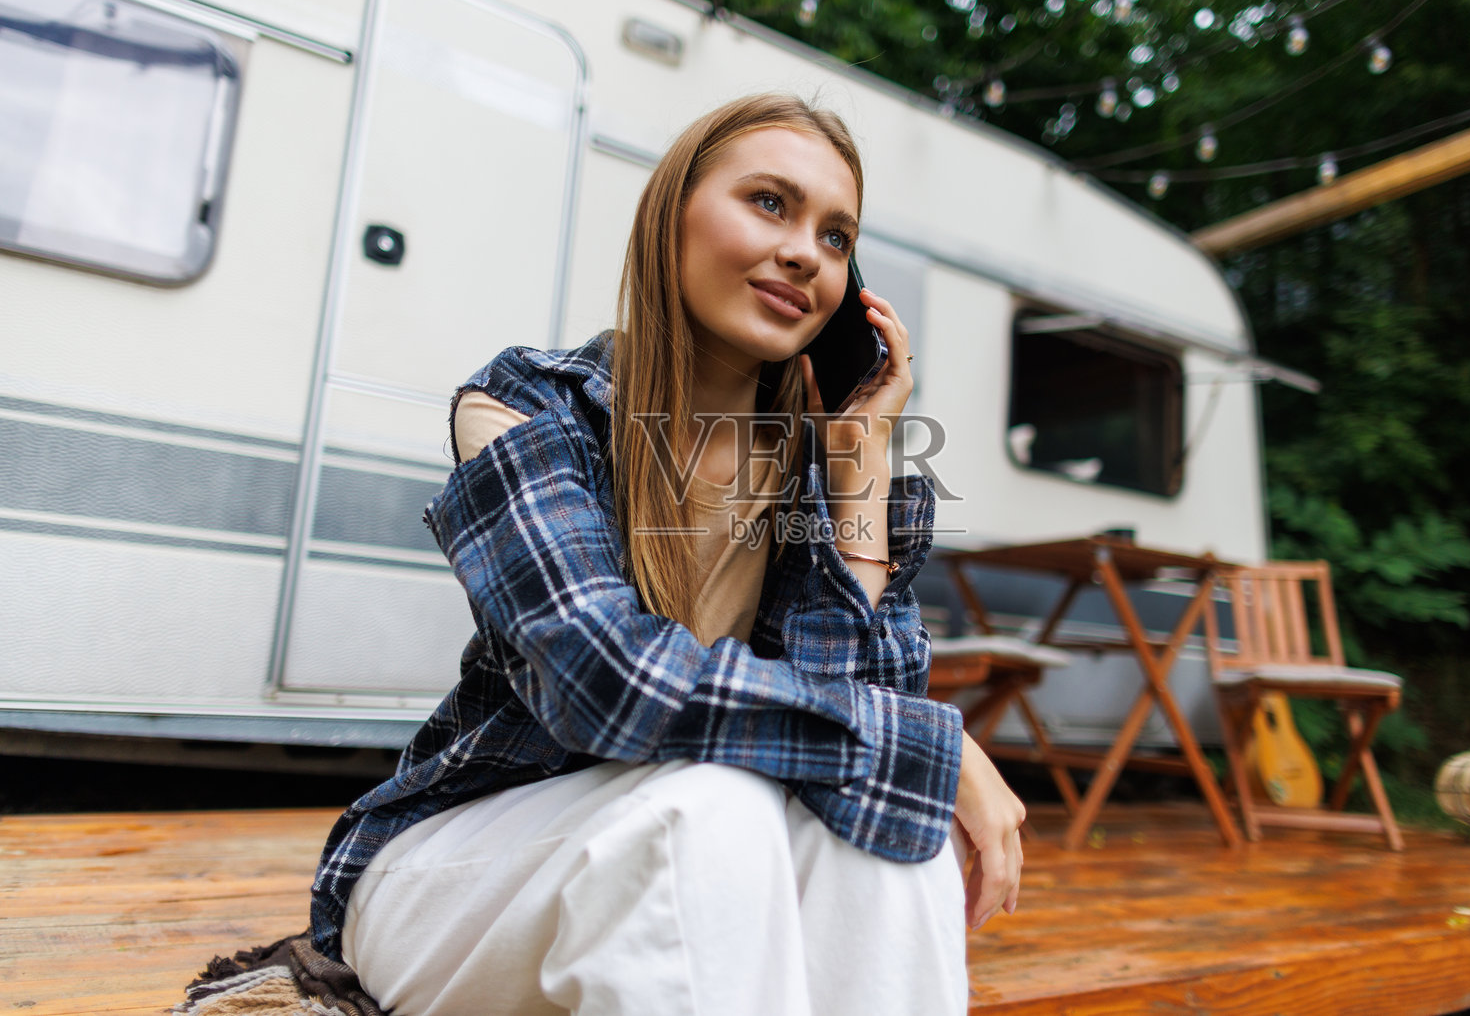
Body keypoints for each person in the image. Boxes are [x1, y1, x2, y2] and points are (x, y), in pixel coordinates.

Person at [306, 92, 1026, 1016]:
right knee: (715, 803)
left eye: (838, 237)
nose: (808, 251)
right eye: (770, 202)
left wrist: (858, 473)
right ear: (670, 214)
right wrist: (941, 747)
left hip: (684, 857)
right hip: (456, 874)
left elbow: (862, 754)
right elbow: (604, 680)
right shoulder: (531, 408)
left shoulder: (821, 472)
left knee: (892, 838)